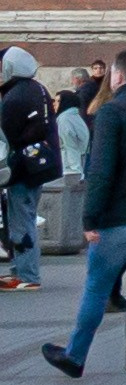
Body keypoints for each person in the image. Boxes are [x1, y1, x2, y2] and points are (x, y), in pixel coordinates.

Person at [42, 48, 126, 378]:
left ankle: (75, 356)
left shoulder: (112, 112)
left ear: (118, 76)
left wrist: (90, 218)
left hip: (117, 220)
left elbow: (101, 170)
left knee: (97, 290)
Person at [1, 46, 61, 292]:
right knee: (24, 216)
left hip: (22, 168)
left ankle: (27, 275)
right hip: (37, 166)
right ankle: (20, 271)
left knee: (21, 220)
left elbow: (6, 133)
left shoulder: (15, 96)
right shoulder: (38, 89)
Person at [54, 90, 91, 178]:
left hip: (72, 168)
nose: (54, 104)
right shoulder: (73, 116)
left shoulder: (64, 119)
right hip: (81, 162)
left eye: (58, 101)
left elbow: (70, 146)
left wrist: (73, 169)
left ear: (65, 103)